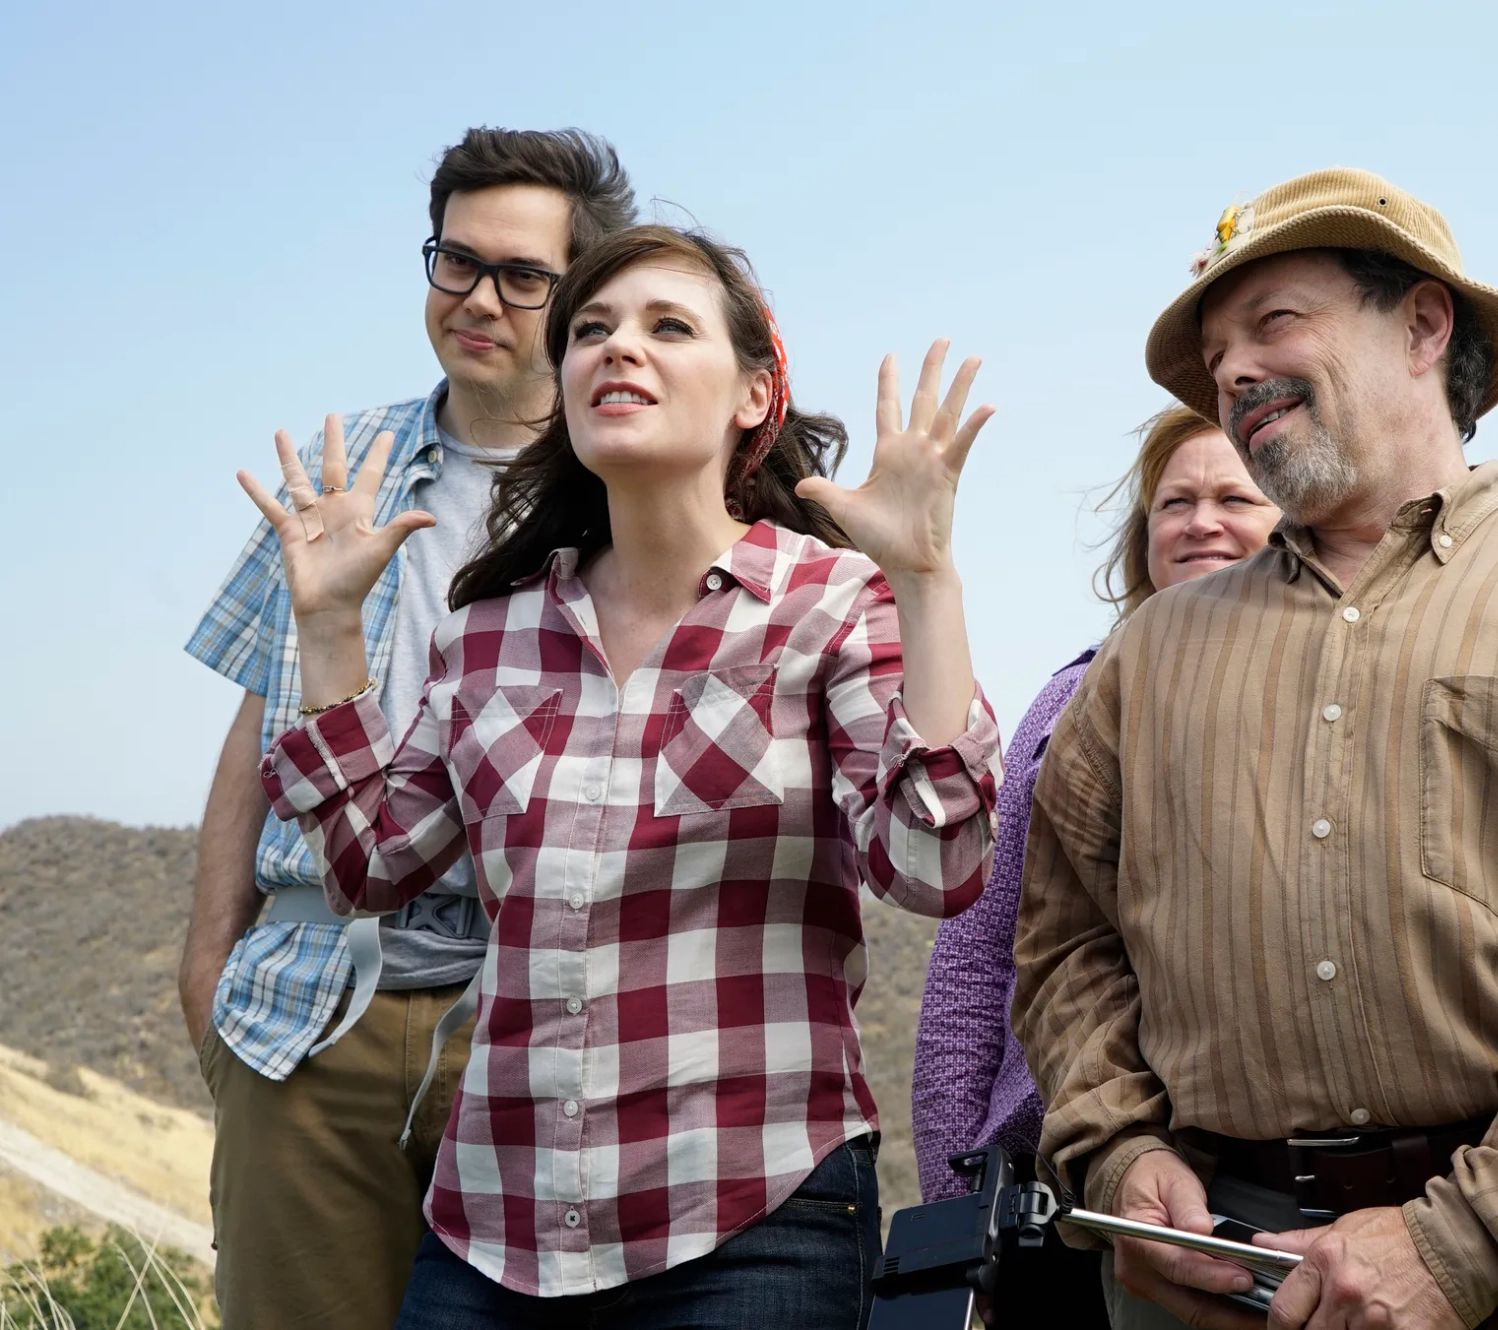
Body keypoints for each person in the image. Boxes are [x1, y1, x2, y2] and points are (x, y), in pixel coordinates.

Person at [1012, 167, 1498, 1330]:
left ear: (1424, 326)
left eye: (1275, 322)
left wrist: (1458, 1242)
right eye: (1217, 350)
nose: (1234, 371)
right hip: (1215, 1274)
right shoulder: (1148, 655)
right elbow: (1066, 938)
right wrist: (1115, 1145)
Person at [238, 223, 1003, 1327]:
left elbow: (936, 865)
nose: (616, 349)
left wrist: (926, 580)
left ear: (753, 393)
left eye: (667, 326)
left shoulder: (831, 601)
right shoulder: (491, 626)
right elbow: (368, 866)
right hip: (492, 1229)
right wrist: (326, 628)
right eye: (590, 330)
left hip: (753, 1218)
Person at [180, 126, 634, 1328]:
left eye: (523, 276)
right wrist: (204, 971)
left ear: (579, 294)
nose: (480, 298)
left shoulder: (631, 484)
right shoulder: (348, 468)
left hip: (539, 1019)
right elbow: (254, 727)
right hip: (308, 1013)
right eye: (457, 261)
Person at [912, 404, 1280, 1323]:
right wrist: (956, 1216)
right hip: (1058, 1190)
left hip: (1251, 1185)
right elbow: (974, 959)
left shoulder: (1344, 693)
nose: (1201, 521)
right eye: (1174, 502)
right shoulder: (1071, 698)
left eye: (1236, 496)